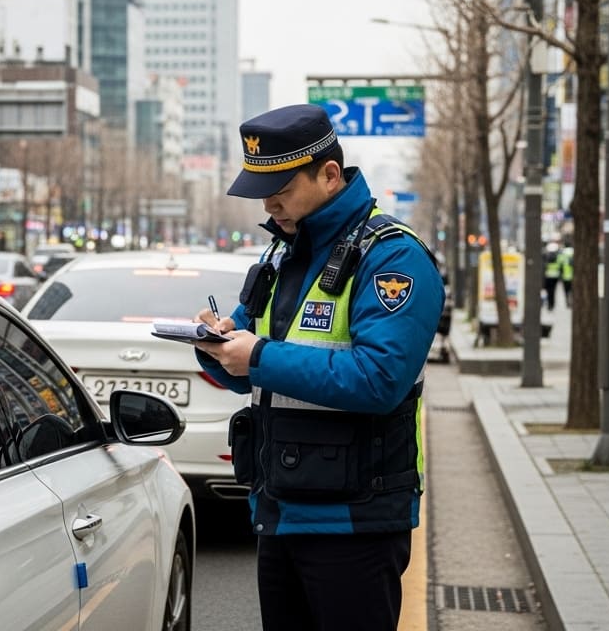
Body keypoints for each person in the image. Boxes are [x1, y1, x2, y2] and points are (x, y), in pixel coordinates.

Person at [188, 104, 444, 631]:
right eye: (262, 189)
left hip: (355, 521)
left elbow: (379, 380)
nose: (269, 201)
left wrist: (256, 355)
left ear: (329, 175)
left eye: (281, 186)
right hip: (279, 510)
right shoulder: (282, 256)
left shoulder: (391, 257)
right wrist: (213, 345)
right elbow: (243, 369)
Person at [544, 246, 562, 310]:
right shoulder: (558, 257)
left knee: (549, 292)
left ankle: (549, 304)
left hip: (548, 277)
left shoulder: (547, 257)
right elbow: (560, 267)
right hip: (555, 277)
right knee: (553, 291)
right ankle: (552, 304)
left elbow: (545, 267)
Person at [559, 243, 575, 307]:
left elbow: (560, 267)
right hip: (572, 278)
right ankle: (572, 302)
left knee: (566, 291)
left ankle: (567, 302)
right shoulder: (573, 254)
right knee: (572, 291)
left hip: (565, 278)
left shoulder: (563, 255)